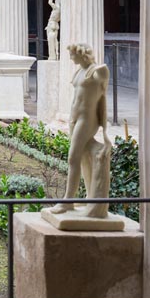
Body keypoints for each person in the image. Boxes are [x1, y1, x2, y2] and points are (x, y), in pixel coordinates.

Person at [48, 43, 111, 218]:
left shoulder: (97, 72)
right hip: (75, 119)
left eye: (73, 54)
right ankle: (88, 196)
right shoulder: (79, 72)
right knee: (82, 157)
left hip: (87, 120)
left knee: (72, 157)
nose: (70, 57)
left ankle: (68, 201)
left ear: (82, 55)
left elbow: (105, 74)